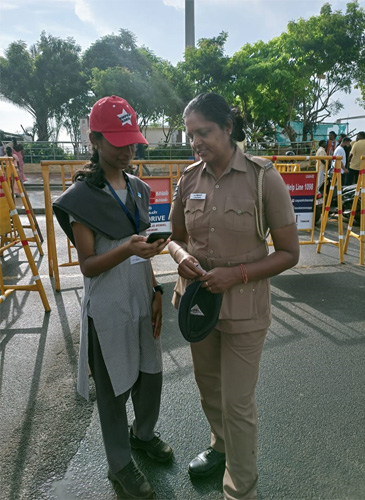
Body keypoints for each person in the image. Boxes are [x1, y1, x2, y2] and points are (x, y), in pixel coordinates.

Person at [168, 92, 299, 500]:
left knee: (238, 403)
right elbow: (173, 239)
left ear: (228, 127)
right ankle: (219, 447)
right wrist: (182, 256)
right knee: (210, 389)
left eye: (204, 132)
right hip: (198, 305)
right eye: (191, 135)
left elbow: (289, 253)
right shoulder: (188, 178)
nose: (196, 142)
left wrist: (236, 275)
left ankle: (241, 490)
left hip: (244, 308)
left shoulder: (263, 177)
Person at [53, 95, 173, 500]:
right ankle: (120, 465)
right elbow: (88, 265)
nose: (127, 150)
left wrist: (155, 289)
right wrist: (127, 250)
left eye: (132, 141)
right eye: (118, 141)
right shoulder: (81, 198)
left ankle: (143, 435)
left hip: (140, 295)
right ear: (95, 139)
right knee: (113, 388)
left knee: (150, 374)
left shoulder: (138, 188)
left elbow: (142, 249)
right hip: (106, 307)